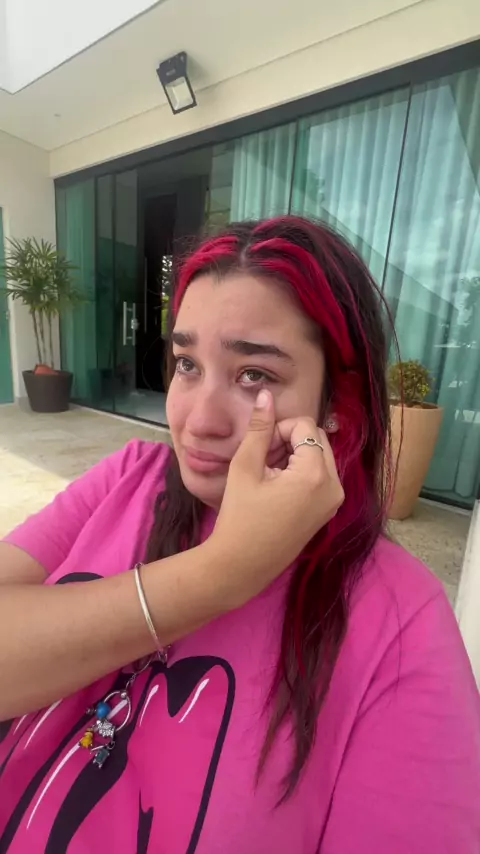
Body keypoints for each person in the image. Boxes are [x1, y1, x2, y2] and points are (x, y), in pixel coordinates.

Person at [0, 217, 478, 854]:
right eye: (187, 364)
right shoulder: (127, 480)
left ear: (337, 404)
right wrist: (218, 574)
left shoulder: (398, 619)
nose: (198, 420)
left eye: (255, 375)